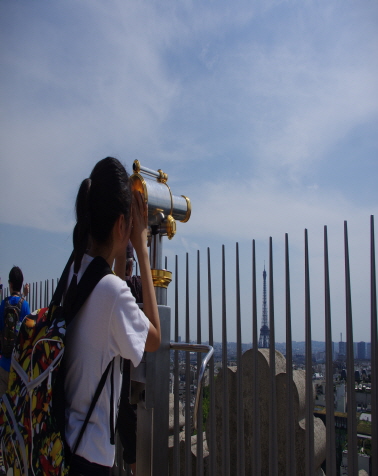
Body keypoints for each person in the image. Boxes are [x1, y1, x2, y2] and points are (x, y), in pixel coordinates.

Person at [64, 157, 160, 476]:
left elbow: (112, 292)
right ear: (122, 224)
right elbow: (154, 339)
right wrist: (141, 249)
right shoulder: (112, 294)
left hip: (62, 444)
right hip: (90, 458)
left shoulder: (74, 276)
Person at [0, 267, 30, 396]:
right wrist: (24, 296)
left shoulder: (3, 304)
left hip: (3, 362)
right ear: (21, 283)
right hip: (18, 365)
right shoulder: (25, 305)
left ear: (10, 283)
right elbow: (28, 332)